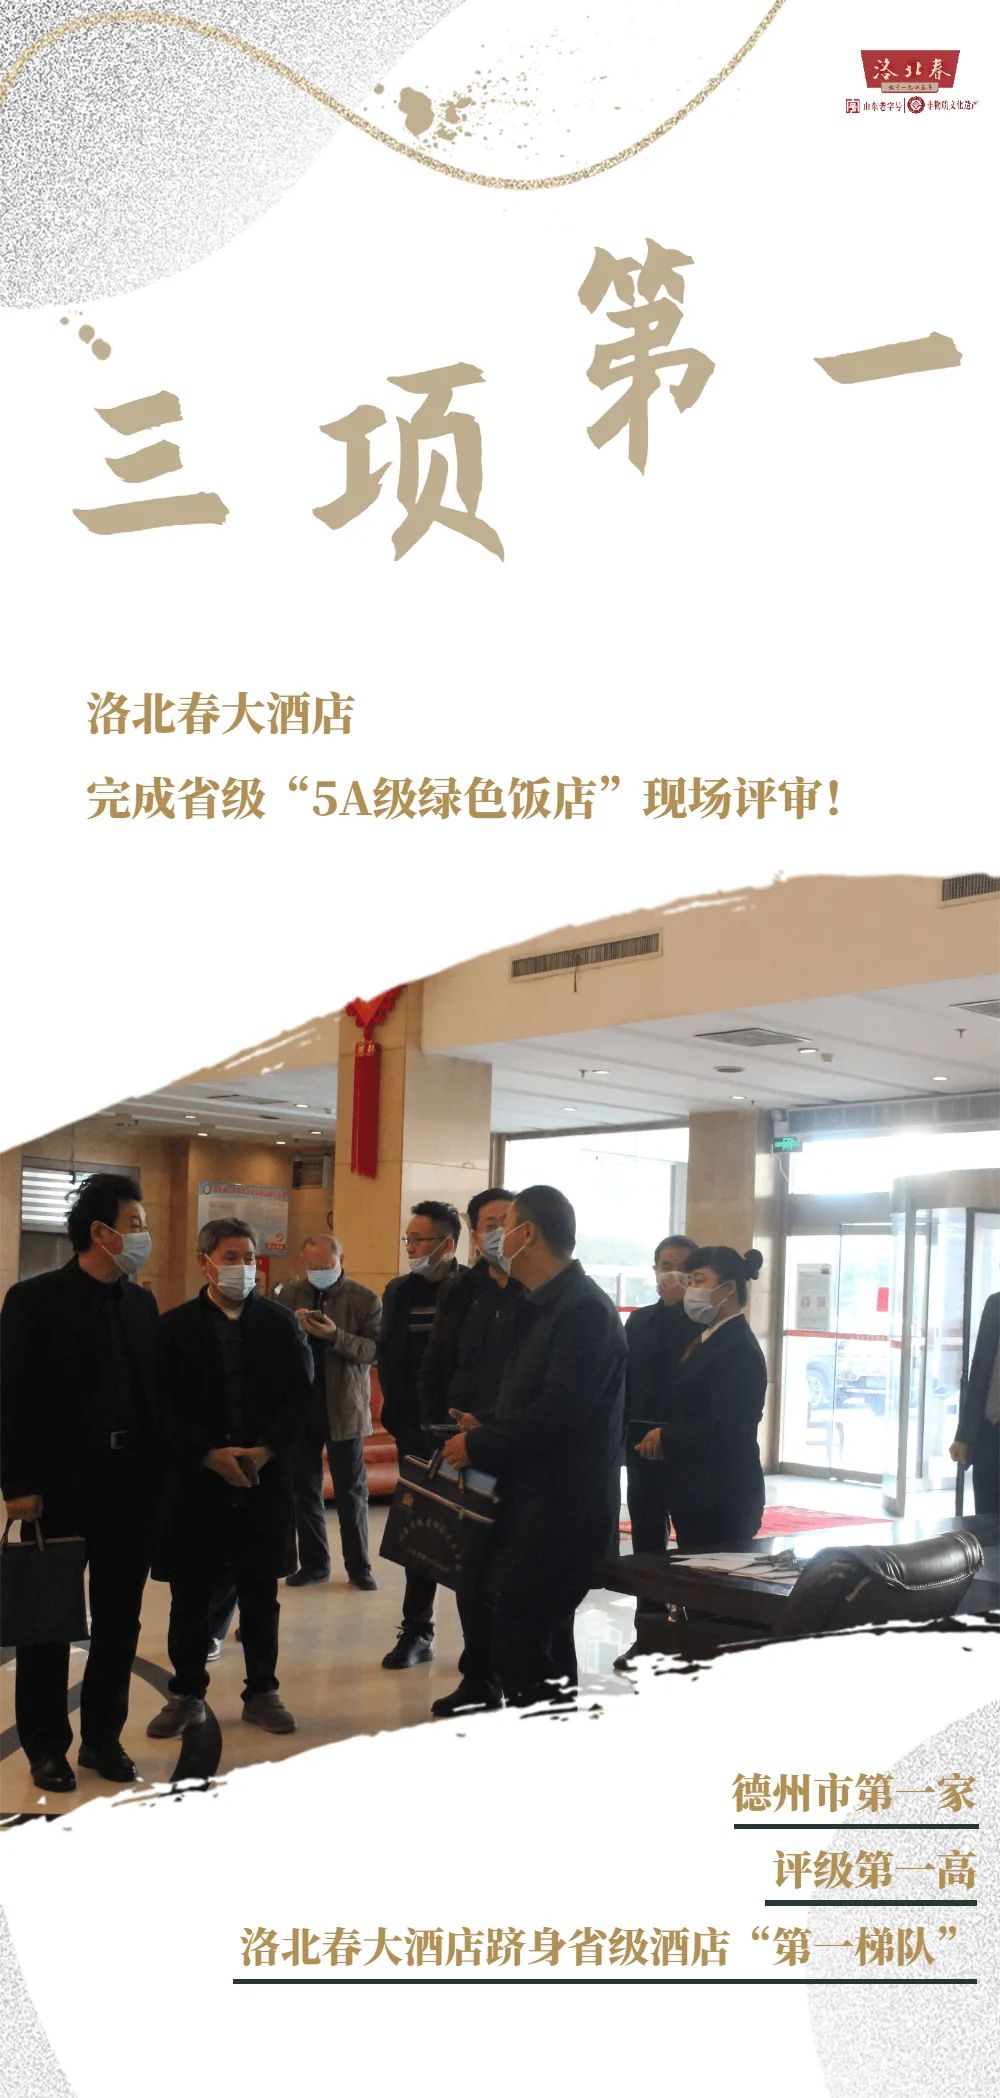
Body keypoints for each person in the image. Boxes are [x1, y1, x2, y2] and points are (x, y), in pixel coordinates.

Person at [0, 1173, 161, 1794]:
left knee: (120, 1618)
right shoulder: (33, 1300)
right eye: (136, 1224)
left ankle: (103, 1737)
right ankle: (46, 1746)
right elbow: (14, 1398)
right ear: (101, 1231)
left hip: (131, 1483)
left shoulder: (140, 1304)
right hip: (60, 1484)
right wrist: (18, 1483)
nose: (143, 1234)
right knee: (49, 1619)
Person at [443, 1186, 626, 1708]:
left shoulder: (582, 1309)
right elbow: (536, 1397)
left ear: (527, 1234)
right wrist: (489, 1420)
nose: (498, 1239)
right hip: (533, 1505)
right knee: (538, 1648)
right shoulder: (544, 1303)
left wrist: (479, 1444)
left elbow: (561, 1414)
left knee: (522, 1647)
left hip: (560, 1513)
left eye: (506, 1227)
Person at [146, 1218, 313, 1741]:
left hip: (263, 1482)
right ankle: (186, 1694)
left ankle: (262, 1692)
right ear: (206, 1263)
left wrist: (266, 1450)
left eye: (249, 1257)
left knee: (261, 1593)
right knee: (190, 1596)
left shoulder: (281, 1325)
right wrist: (205, 1453)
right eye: (231, 1257)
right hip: (196, 1485)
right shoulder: (173, 1329)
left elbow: (300, 1399)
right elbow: (159, 1406)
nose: (243, 1266)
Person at [417, 1187, 522, 1717]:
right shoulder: (461, 1289)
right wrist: (434, 1427)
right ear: (475, 1235)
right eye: (489, 1223)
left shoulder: (536, 1291)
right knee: (470, 1569)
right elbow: (437, 1362)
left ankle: (515, 1673)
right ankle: (478, 1676)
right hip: (464, 1447)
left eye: (508, 1220)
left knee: (515, 1570)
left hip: (518, 1446)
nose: (499, 1232)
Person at [377, 1201, 463, 1668]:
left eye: (418, 1240)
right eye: (407, 1239)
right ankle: (416, 1629)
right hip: (413, 1429)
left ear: (446, 1244)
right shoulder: (398, 1290)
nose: (410, 1248)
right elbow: (389, 1357)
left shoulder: (471, 1289)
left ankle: (479, 1643)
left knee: (469, 1533)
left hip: (463, 1431)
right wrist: (399, 1418)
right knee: (418, 1532)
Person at [635, 1246, 767, 1549]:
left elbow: (726, 1427)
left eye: (699, 1280)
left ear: (727, 1288)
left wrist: (666, 1437)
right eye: (690, 1281)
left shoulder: (738, 1348)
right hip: (696, 1490)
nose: (691, 1290)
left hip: (722, 1495)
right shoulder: (709, 1338)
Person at [274, 1233, 382, 1591]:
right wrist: (296, 1331)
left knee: (351, 1493)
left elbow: (374, 1351)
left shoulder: (365, 1299)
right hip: (301, 1408)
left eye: (327, 1265)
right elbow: (273, 1347)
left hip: (345, 1407)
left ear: (341, 1260)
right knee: (304, 1491)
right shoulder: (288, 1296)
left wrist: (336, 1335)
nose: (320, 1272)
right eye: (313, 1266)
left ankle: (359, 1567)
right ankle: (314, 1564)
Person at [614, 1234, 699, 1670]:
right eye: (666, 1265)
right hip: (640, 1448)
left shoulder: (705, 1325)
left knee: (693, 1545)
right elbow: (626, 1383)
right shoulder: (640, 1321)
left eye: (683, 1267)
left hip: (686, 1451)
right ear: (654, 1271)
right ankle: (647, 1634)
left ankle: (692, 1637)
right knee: (647, 1545)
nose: (673, 1274)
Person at [951, 1284, 1000, 1515]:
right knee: (985, 1515)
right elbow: (979, 1370)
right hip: (987, 1431)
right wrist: (963, 1436)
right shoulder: (995, 1304)